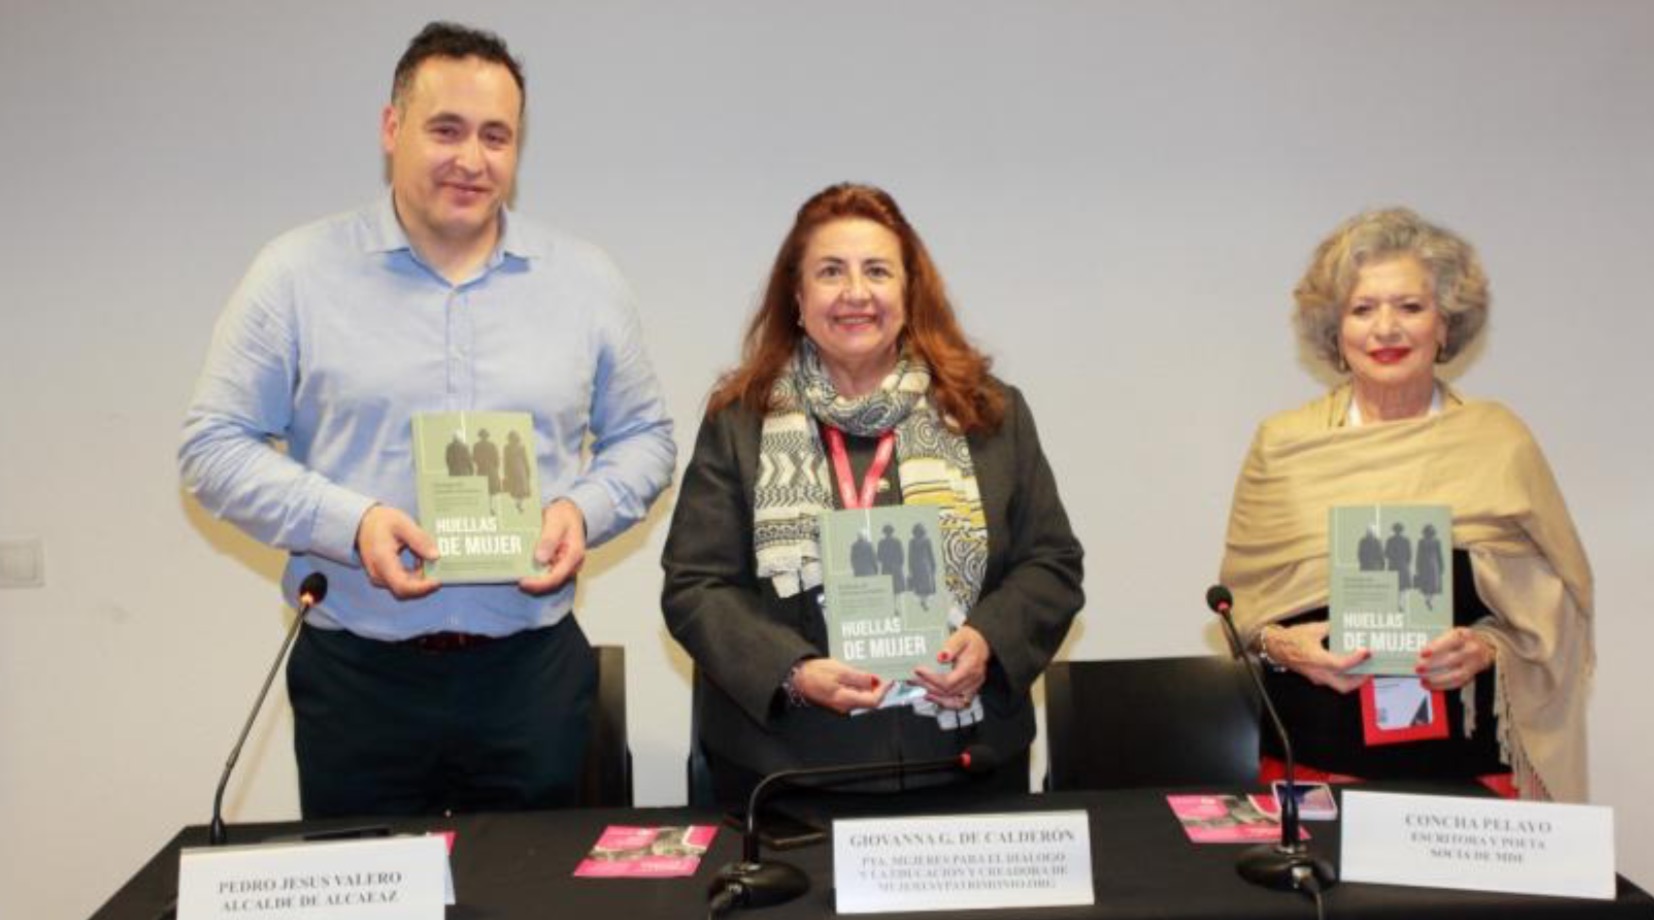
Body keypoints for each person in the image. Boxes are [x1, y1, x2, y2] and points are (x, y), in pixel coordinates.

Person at [178, 22, 675, 818]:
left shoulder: (586, 281)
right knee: (366, 881)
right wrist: (353, 523)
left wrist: (581, 511)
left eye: (495, 136)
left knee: (530, 883)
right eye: (446, 130)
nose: (472, 160)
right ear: (391, 128)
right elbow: (212, 447)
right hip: (359, 678)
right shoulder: (296, 274)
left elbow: (646, 438)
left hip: (530, 675)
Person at [662, 183, 1084, 806]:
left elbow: (1052, 565)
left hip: (966, 765)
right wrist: (794, 672)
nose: (855, 293)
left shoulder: (989, 413)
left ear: (910, 294)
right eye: (831, 272)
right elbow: (696, 586)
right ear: (797, 297)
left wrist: (988, 643)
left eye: (877, 271)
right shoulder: (741, 421)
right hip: (791, 776)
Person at [1218, 208, 1592, 801]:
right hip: (1315, 764)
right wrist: (1285, 647)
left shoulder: (1498, 443)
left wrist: (1485, 648)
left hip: (1471, 774)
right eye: (1362, 309)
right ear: (1335, 330)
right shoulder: (1284, 446)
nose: (1386, 329)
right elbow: (1243, 616)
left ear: (1446, 325)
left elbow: (1554, 606)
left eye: (1411, 307)